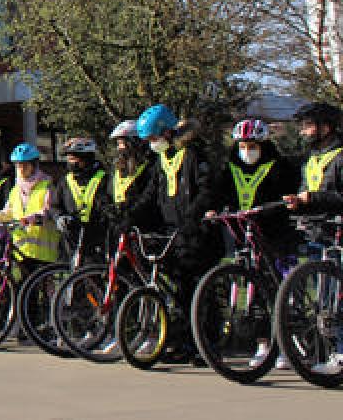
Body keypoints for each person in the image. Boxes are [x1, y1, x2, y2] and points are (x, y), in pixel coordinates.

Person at [129, 103, 221, 360]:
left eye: (154, 138)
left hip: (198, 233)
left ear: (168, 133)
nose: (151, 144)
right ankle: (183, 342)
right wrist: (131, 215)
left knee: (201, 292)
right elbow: (151, 195)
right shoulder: (162, 160)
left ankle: (207, 345)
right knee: (180, 293)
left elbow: (207, 190)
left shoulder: (194, 155)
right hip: (174, 234)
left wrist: (194, 215)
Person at [208, 119, 298, 370]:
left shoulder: (279, 166)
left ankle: (285, 345)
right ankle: (263, 344)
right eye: (243, 145)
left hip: (274, 234)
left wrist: (273, 208)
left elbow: (285, 192)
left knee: (278, 289)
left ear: (263, 144)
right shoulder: (231, 167)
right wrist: (212, 209)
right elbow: (218, 190)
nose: (247, 150)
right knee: (255, 291)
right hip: (244, 233)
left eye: (252, 145)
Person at [282, 102, 343, 376]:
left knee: (337, 299)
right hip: (321, 234)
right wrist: (299, 202)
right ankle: (334, 352)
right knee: (326, 301)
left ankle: (340, 353)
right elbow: (309, 191)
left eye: (308, 125)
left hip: (339, 233)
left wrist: (313, 198)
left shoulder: (340, 156)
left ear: (326, 127)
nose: (304, 131)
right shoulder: (313, 159)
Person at [0, 143, 60, 272]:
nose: (21, 168)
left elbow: (49, 211)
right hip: (20, 251)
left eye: (25, 165)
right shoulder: (16, 190)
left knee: (41, 289)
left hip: (43, 253)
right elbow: (8, 213)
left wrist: (32, 218)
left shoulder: (47, 185)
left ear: (34, 165)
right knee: (20, 288)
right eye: (18, 165)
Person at [50, 137, 113, 263]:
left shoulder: (104, 178)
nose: (70, 163)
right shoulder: (65, 181)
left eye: (74, 159)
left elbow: (109, 206)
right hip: (72, 239)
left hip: (97, 239)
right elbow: (55, 205)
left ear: (86, 158)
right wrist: (59, 217)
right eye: (68, 159)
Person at [108, 120, 155, 229]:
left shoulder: (150, 166)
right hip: (118, 226)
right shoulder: (116, 169)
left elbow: (149, 195)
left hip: (143, 226)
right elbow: (109, 193)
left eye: (122, 143)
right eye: (118, 144)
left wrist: (131, 213)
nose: (119, 148)